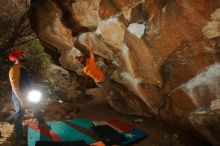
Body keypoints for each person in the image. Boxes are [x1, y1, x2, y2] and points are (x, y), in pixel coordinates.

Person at [9, 49, 46, 145]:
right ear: (17, 57)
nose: (23, 56)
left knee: (37, 107)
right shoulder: (14, 70)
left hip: (28, 93)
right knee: (20, 114)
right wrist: (21, 100)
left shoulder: (22, 68)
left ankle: (42, 123)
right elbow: (15, 86)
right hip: (19, 95)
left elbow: (26, 82)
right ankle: (19, 137)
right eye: (21, 55)